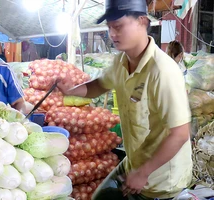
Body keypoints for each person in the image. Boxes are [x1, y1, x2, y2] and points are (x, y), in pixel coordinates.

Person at [58, 0, 192, 199]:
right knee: (101, 197)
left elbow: (180, 134)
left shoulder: (162, 72)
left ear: (142, 21)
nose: (112, 34)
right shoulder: (120, 62)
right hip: (136, 161)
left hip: (160, 178)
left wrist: (143, 173)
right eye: (109, 27)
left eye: (118, 26)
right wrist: (72, 90)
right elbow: (99, 86)